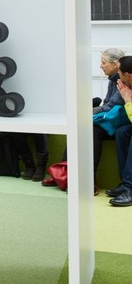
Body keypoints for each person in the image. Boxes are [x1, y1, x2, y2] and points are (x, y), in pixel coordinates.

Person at [43, 48, 126, 191]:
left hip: (119, 123)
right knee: (78, 127)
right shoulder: (112, 79)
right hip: (111, 120)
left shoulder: (123, 80)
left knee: (91, 129)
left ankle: (89, 180)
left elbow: (111, 105)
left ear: (115, 64)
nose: (100, 65)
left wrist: (86, 114)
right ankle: (64, 173)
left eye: (103, 62)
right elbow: (107, 103)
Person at [106, 56, 132, 206]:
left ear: (128, 74)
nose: (118, 76)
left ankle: (130, 188)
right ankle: (125, 183)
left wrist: (128, 100)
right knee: (122, 132)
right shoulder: (126, 85)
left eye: (120, 73)